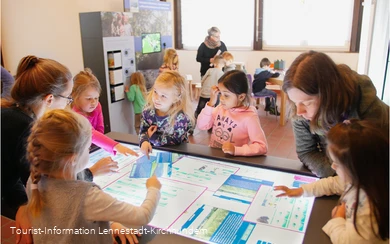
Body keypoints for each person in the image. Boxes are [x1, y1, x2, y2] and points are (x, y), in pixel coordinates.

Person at [1, 56, 118, 221]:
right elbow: (48, 185)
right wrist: (91, 172)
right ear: (49, 99)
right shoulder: (25, 128)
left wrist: (20, 204)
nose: (68, 103)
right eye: (68, 98)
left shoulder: (12, 112)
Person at [25, 109, 161, 243]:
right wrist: (153, 188)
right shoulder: (87, 197)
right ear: (73, 159)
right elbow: (143, 216)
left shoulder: (34, 181)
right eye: (88, 148)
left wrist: (110, 224)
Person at [274, 119, 389, 243]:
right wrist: (302, 190)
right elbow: (332, 184)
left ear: (358, 167)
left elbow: (348, 241)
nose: (333, 167)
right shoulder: (364, 180)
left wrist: (337, 219)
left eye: (337, 164)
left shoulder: (368, 209)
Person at [283, 51, 389, 178]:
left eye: (307, 103)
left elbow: (372, 159)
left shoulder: (365, 106)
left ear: (329, 96)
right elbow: (306, 151)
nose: (299, 111)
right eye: (295, 102)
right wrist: (336, 175)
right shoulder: (299, 112)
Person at [197, 70, 268, 156]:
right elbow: (201, 125)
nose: (221, 98)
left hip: (233, 161)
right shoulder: (220, 108)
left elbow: (262, 146)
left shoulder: (249, 117)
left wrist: (236, 150)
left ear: (241, 97)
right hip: (215, 156)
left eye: (226, 95)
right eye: (220, 94)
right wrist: (210, 104)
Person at [72, 68, 138, 156]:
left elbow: (100, 129)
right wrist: (116, 146)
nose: (94, 102)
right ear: (75, 96)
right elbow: (90, 133)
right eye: (88, 98)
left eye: (96, 98)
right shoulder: (75, 114)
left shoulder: (97, 106)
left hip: (92, 148)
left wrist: (102, 148)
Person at [139, 71, 194, 158]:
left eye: (163, 96)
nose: (156, 98)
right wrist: (144, 141)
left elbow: (176, 140)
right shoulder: (148, 111)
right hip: (154, 153)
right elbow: (143, 130)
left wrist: (152, 137)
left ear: (176, 99)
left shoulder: (181, 117)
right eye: (155, 92)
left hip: (176, 155)